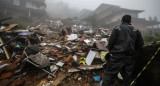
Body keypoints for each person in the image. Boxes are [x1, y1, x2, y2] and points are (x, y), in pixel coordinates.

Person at [102, 15, 144, 86]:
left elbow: (111, 43)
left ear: (121, 20)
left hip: (117, 57)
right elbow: (141, 44)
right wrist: (133, 50)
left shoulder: (117, 29)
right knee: (129, 77)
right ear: (130, 21)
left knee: (110, 75)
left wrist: (111, 52)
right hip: (130, 58)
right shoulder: (136, 30)